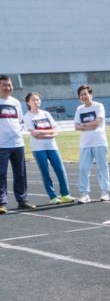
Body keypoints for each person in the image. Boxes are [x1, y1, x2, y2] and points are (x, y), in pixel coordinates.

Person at [22, 92, 73, 204]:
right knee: (45, 172)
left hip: (52, 146)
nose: (36, 102)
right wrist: (49, 133)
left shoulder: (46, 114)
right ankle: (53, 196)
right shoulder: (27, 117)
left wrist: (43, 133)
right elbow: (34, 134)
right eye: (33, 100)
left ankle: (65, 194)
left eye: (38, 99)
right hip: (38, 148)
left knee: (60, 170)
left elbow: (55, 131)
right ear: (28, 102)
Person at [0, 75, 35, 214]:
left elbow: (20, 121)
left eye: (9, 85)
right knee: (1, 174)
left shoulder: (15, 102)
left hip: (17, 144)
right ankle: (1, 203)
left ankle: (22, 200)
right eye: (4, 85)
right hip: (1, 145)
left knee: (20, 173)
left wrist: (17, 134)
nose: (8, 87)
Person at [74, 84, 110, 202]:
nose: (84, 96)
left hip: (99, 141)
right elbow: (76, 126)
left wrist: (84, 125)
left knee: (102, 168)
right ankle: (85, 194)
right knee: (83, 168)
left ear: (91, 95)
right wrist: (89, 125)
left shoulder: (98, 106)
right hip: (85, 143)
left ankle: (105, 192)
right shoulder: (79, 109)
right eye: (81, 95)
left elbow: (98, 122)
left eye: (85, 94)